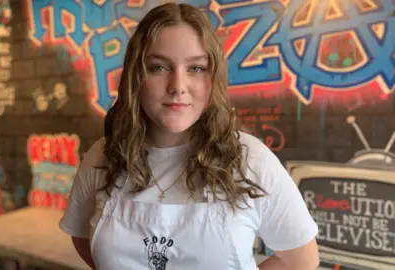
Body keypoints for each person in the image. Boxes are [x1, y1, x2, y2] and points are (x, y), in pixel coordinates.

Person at [59, 3, 319, 270]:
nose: (178, 87)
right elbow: (81, 236)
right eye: (159, 67)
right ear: (136, 76)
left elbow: (301, 260)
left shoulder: (250, 159)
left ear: (212, 77)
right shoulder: (103, 156)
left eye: (195, 68)